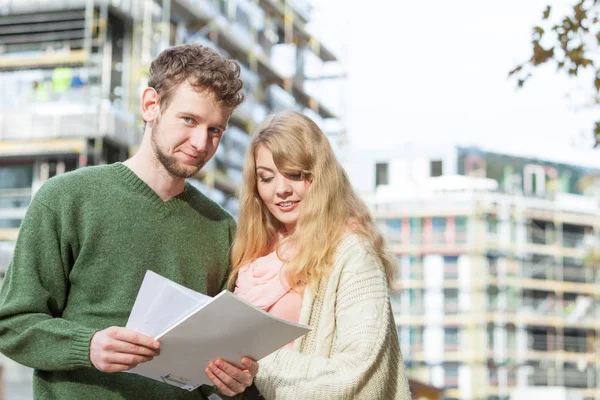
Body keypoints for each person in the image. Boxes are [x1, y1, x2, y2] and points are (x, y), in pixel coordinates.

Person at [0, 44, 258, 400]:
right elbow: (11, 324)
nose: (201, 143)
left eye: (216, 130)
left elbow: (219, 353)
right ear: (151, 105)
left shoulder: (221, 227)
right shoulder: (67, 198)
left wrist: (233, 381)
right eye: (189, 120)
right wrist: (87, 346)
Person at [230, 110, 412, 399]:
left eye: (295, 175)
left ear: (320, 175)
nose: (281, 190)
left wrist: (255, 360)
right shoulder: (254, 255)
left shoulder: (353, 253)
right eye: (266, 178)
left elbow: (356, 370)